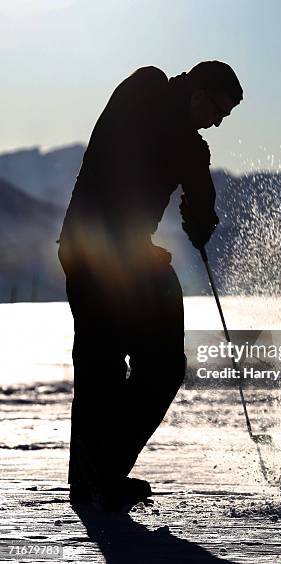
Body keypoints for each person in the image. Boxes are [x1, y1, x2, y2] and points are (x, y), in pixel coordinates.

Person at [58, 61, 243, 512]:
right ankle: (93, 480)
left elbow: (199, 201)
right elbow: (127, 148)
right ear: (198, 92)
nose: (217, 123)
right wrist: (190, 158)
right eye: (218, 110)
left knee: (158, 367)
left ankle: (101, 473)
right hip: (93, 249)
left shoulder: (191, 147)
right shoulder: (145, 89)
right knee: (101, 367)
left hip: (132, 256)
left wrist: (201, 216)